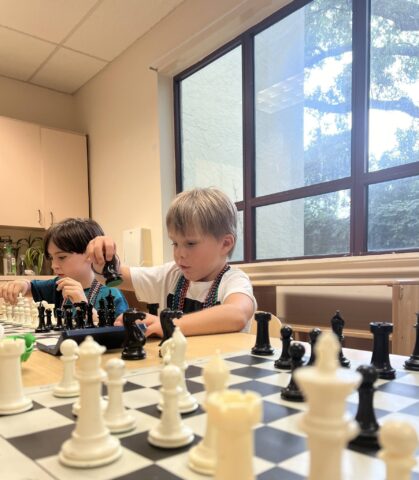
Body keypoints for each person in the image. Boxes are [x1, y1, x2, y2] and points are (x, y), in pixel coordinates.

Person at [87, 188, 256, 337]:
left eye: (191, 243)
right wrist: (101, 259)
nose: (179, 254)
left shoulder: (233, 280)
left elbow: (236, 314)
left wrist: (168, 324)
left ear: (225, 243)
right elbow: (114, 277)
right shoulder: (172, 275)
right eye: (175, 243)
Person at [0, 218, 129, 319]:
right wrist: (22, 285)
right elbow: (30, 288)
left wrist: (83, 305)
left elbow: (122, 332)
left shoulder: (110, 292)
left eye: (61, 257)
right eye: (51, 258)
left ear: (91, 254)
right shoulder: (58, 285)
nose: (53, 265)